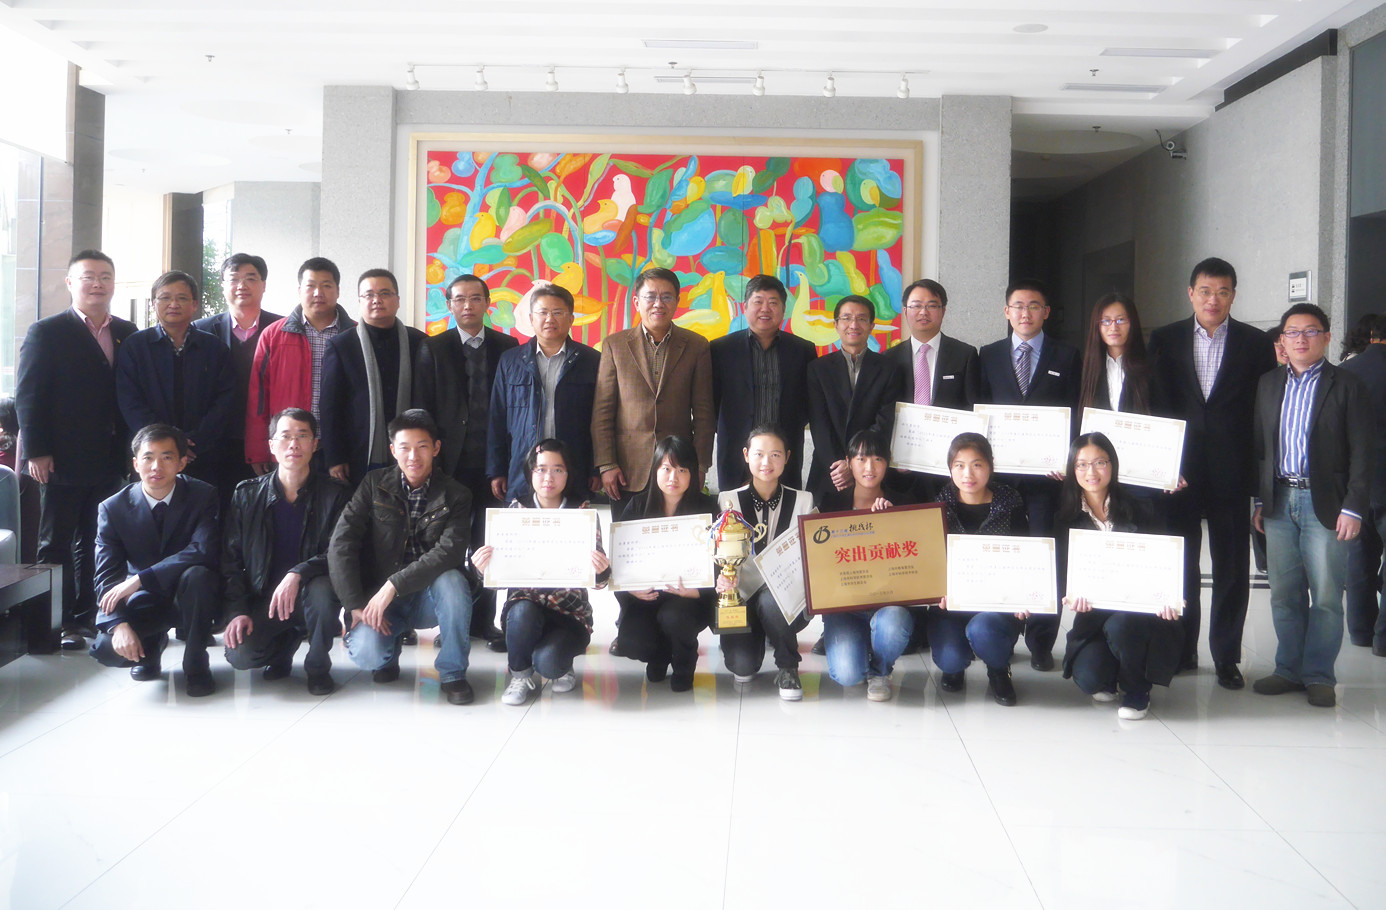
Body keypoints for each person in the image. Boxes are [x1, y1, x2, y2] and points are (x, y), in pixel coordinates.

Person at [1148, 258, 1278, 688]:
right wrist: (1164, 464)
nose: (1213, 300)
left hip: (1232, 471)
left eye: (1222, 292)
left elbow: (1263, 413)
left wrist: (1259, 481)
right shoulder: (1164, 339)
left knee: (1232, 568)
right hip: (1180, 472)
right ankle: (1182, 649)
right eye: (1205, 291)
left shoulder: (1255, 343)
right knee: (1181, 563)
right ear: (1191, 293)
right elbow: (1156, 405)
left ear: (1233, 296)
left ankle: (1226, 657)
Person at [1251, 305, 1373, 708]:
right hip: (1278, 499)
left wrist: (1354, 507)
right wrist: (1259, 499)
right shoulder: (1268, 383)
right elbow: (1260, 447)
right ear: (1282, 340)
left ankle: (1319, 674)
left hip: (1328, 502)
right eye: (1292, 332)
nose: (1300, 339)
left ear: (1326, 337)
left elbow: (1362, 451)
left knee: (1325, 595)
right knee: (1284, 593)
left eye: (1310, 331)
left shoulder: (1348, 384)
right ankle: (1287, 668)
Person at [16, 250, 139, 650]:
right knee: (56, 542)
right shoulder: (47, 331)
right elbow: (29, 395)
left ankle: (89, 616)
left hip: (110, 457)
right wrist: (36, 451)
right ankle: (52, 623)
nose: (97, 284)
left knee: (99, 539)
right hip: (61, 458)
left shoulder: (127, 332)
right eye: (88, 276)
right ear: (70, 283)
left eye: (105, 276)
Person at [328, 409, 475, 704]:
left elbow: (449, 552)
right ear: (393, 450)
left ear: (436, 448)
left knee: (453, 580)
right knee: (367, 654)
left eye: (422, 447)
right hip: (380, 599)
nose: (413, 456)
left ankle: (453, 673)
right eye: (405, 448)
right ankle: (389, 651)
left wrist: (394, 584)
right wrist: (354, 603)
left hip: (429, 597)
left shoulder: (457, 494)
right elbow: (341, 543)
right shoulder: (373, 484)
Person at [978, 278, 1081, 671]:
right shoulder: (987, 355)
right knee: (1001, 556)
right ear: (1006, 312)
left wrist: (1068, 460)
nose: (1025, 313)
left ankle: (1041, 642)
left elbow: (1076, 413)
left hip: (1046, 482)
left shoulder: (1067, 356)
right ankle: (1001, 635)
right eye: (1018, 306)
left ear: (1046, 312)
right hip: (999, 481)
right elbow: (978, 411)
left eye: (1034, 306)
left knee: (1044, 558)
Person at [221, 408, 350, 696]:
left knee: (320, 589)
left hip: (312, 595)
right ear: (271, 445)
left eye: (302, 436)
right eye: (286, 436)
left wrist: (297, 573)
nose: (294, 444)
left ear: (314, 445)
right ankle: (284, 646)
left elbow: (339, 552)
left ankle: (317, 666)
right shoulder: (246, 494)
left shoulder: (337, 493)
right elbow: (231, 560)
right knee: (240, 655)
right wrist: (237, 611)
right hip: (265, 598)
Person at [471, 439, 609, 706]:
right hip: (525, 609)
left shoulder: (582, 514)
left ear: (568, 474)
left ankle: (560, 663)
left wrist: (601, 571)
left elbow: (598, 581)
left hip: (570, 614)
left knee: (549, 663)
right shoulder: (514, 512)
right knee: (522, 612)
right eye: (541, 469)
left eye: (558, 470)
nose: (549, 478)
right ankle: (519, 675)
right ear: (530, 472)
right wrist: (482, 569)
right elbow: (498, 580)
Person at [1058, 432, 1183, 720]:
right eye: (1081, 464)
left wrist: (1167, 596)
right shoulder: (1066, 518)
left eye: (1100, 462)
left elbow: (1163, 561)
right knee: (1090, 680)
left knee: (1123, 625)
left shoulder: (1142, 509)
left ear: (1112, 465)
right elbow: (1066, 574)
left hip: (1137, 616)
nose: (1091, 472)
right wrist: (1070, 595)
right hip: (1094, 616)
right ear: (1072, 469)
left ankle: (1136, 688)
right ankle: (1114, 670)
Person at [90, 425, 221, 697]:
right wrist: (118, 624)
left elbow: (203, 549)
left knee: (199, 576)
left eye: (167, 457)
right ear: (135, 464)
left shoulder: (203, 495)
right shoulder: (112, 508)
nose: (156, 466)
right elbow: (106, 574)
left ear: (182, 463)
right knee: (106, 648)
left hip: (192, 594)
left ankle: (196, 662)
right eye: (148, 457)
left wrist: (140, 578)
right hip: (145, 599)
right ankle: (150, 647)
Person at [425, 273, 518, 651]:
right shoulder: (433, 348)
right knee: (450, 545)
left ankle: (483, 621)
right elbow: (423, 407)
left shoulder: (507, 346)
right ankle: (453, 622)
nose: (468, 305)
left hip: (493, 464)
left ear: (487, 303)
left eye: (475, 298)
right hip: (449, 465)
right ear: (449, 305)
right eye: (460, 299)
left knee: (488, 545)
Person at [591, 268, 715, 499]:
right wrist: (607, 464)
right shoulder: (614, 345)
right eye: (650, 297)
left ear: (677, 302)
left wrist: (699, 465)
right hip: (626, 470)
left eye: (666, 297)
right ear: (637, 302)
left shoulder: (696, 346)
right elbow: (602, 412)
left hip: (678, 468)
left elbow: (704, 414)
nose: (658, 303)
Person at [715, 425, 816, 700]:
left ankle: (788, 666)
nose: (766, 462)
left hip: (785, 600)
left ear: (787, 457)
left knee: (771, 602)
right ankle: (759, 637)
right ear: (746, 455)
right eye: (759, 454)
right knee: (742, 666)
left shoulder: (804, 501)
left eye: (775, 455)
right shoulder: (727, 501)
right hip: (742, 598)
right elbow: (716, 554)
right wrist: (721, 579)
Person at [610, 436, 717, 692]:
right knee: (631, 643)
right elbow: (620, 560)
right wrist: (630, 588)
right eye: (666, 468)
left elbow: (721, 564)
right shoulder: (637, 506)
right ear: (655, 470)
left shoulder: (708, 509)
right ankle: (660, 654)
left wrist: (697, 592)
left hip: (687, 600)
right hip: (647, 597)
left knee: (674, 618)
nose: (673, 478)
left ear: (693, 474)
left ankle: (684, 663)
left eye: (682, 470)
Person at [928, 433, 1027, 706]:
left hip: (997, 605)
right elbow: (930, 560)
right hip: (951, 605)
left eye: (977, 465)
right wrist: (936, 591)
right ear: (950, 468)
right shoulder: (939, 506)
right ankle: (955, 665)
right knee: (949, 658)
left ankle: (998, 669)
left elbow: (1025, 556)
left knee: (983, 630)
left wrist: (1024, 595)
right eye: (959, 465)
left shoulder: (1010, 503)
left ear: (990, 465)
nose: (967, 474)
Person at [817, 430, 915, 702]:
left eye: (877, 459)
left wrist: (891, 522)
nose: (869, 468)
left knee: (893, 624)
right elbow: (821, 561)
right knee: (848, 674)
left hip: (888, 603)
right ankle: (862, 651)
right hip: (845, 607)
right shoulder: (831, 504)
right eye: (861, 459)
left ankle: (881, 670)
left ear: (888, 463)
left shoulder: (903, 503)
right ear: (848, 462)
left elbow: (913, 560)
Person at [115, 271, 237, 486]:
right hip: (152, 454)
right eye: (165, 297)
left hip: (203, 453)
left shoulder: (214, 347)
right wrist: (168, 444)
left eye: (182, 298)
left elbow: (225, 400)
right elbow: (130, 401)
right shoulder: (135, 346)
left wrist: (194, 442)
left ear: (194, 304)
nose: (173, 304)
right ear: (153, 303)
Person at [486, 283, 600, 503]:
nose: (549, 319)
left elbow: (599, 419)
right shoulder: (510, 361)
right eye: (543, 312)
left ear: (571, 319)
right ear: (531, 318)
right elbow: (497, 418)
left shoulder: (591, 360)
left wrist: (596, 468)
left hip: (574, 467)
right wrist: (496, 469)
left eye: (557, 312)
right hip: (523, 467)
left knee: (571, 521)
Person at [320, 269, 433, 485]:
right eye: (369, 295)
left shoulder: (419, 342)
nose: (376, 300)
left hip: (413, 453)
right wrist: (335, 457)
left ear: (397, 300)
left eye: (384, 294)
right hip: (359, 451)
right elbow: (330, 406)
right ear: (359, 301)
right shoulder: (341, 345)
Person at [245, 257, 356, 473]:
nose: (318, 293)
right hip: (290, 447)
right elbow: (258, 398)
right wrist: (258, 450)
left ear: (338, 291)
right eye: (311, 286)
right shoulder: (273, 335)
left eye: (326, 286)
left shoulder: (355, 335)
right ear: (299, 290)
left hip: (340, 446)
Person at [193, 253, 283, 511]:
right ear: (223, 286)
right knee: (215, 510)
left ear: (263, 285)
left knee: (261, 511)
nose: (242, 285)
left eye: (250, 278)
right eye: (233, 279)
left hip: (266, 439)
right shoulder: (200, 330)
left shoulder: (282, 328)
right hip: (214, 441)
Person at [709, 274, 817, 490]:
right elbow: (710, 401)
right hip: (735, 453)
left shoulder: (802, 350)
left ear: (784, 309)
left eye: (773, 303)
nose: (765, 309)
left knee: (786, 507)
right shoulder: (720, 350)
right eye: (758, 302)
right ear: (745, 307)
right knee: (734, 509)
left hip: (785, 453)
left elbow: (810, 402)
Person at [885, 278, 981, 502]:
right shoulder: (888, 359)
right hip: (902, 469)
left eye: (931, 305)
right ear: (905, 311)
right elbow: (884, 412)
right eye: (916, 305)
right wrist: (894, 453)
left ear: (943, 310)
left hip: (948, 468)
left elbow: (972, 409)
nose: (923, 312)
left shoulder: (965, 354)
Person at [805, 294, 902, 503]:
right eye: (846, 318)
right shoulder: (818, 369)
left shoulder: (889, 369)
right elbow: (819, 424)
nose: (854, 325)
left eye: (861, 319)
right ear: (836, 324)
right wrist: (841, 466)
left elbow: (885, 421)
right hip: (831, 472)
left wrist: (857, 463)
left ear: (871, 325)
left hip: (872, 469)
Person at [1340, 315, 1386, 654]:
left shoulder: (1345, 372)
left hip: (1355, 481)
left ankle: (1360, 631)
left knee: (1358, 557)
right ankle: (1384, 640)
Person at [1078, 292, 1152, 414]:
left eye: (1121, 320)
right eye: (1106, 321)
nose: (1113, 327)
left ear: (1132, 323)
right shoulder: (1088, 369)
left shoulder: (1150, 368)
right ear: (1097, 326)